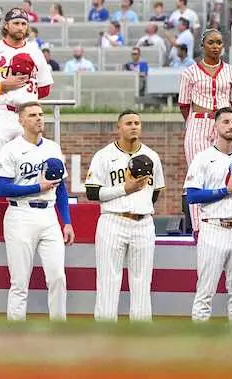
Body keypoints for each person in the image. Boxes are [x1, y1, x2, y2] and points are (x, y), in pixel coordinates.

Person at [0, 8, 53, 230]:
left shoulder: (35, 51)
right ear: (6, 25)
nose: (20, 27)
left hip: (26, 114)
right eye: (16, 23)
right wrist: (2, 86)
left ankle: (29, 212)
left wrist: (27, 97)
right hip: (1, 112)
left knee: (31, 164)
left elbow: (45, 88)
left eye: (23, 23)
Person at [0, 102, 73, 321]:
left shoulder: (53, 147)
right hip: (20, 214)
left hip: (48, 215)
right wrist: (38, 187)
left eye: (40, 114)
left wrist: (66, 221)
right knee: (19, 281)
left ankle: (59, 326)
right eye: (32, 115)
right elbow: (2, 189)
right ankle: (16, 330)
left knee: (58, 277)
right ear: (21, 121)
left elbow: (61, 188)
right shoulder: (10, 149)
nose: (39, 118)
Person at [85, 110, 164, 322]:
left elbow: (154, 194)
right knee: (108, 280)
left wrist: (137, 202)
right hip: (113, 219)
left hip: (143, 222)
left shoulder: (152, 156)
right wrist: (124, 189)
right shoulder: (103, 155)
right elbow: (92, 193)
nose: (134, 126)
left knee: (142, 281)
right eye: (128, 123)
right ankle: (105, 331)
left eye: (137, 123)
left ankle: (140, 332)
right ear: (118, 127)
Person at [185, 108, 232, 324]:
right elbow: (192, 196)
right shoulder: (203, 157)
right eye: (225, 122)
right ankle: (199, 339)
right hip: (213, 227)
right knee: (205, 291)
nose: (231, 126)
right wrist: (226, 191)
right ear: (215, 126)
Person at [177, 29, 232, 229]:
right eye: (211, 42)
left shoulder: (231, 72)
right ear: (203, 45)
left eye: (219, 43)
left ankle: (224, 219)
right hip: (198, 122)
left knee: (224, 172)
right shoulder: (189, 72)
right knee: (197, 175)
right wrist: (194, 121)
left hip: (222, 122)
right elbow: (184, 104)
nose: (215, 46)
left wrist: (227, 121)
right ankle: (198, 227)